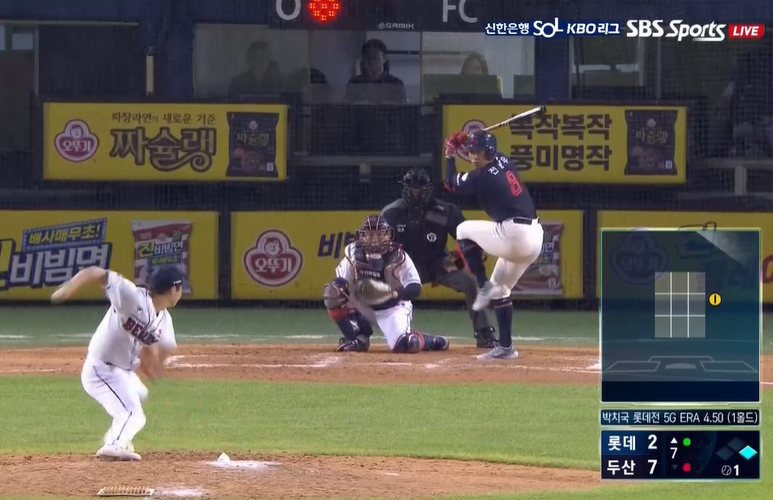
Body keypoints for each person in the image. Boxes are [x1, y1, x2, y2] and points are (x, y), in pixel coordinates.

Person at [50, 265, 183, 460]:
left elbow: (161, 349)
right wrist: (69, 286)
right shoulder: (131, 296)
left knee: (140, 393)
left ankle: (119, 437)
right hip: (100, 370)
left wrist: (152, 362)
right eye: (180, 288)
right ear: (173, 290)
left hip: (122, 371)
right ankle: (114, 444)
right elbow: (96, 272)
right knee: (133, 414)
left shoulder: (164, 320)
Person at [444, 130, 543, 361]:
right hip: (533, 237)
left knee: (462, 230)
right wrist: (465, 143)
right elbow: (482, 156)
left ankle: (481, 284)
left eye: (478, 152)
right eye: (471, 152)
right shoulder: (503, 159)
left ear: (489, 151)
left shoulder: (482, 177)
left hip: (515, 235)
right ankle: (506, 347)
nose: (474, 156)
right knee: (501, 289)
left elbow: (450, 183)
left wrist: (450, 154)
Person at [380, 167, 497, 348]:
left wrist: (462, 261)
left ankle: (484, 333)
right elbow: (382, 248)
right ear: (404, 189)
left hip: (439, 264)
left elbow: (467, 240)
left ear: (429, 189)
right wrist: (390, 270)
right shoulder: (391, 213)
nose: (416, 193)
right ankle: (366, 332)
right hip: (406, 268)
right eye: (412, 189)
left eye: (420, 189)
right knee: (377, 286)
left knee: (470, 283)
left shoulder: (446, 211)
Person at [323, 215, 449, 353]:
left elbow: (415, 287)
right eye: (370, 235)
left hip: (392, 308)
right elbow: (341, 282)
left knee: (406, 345)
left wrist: (394, 294)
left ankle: (430, 341)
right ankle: (357, 337)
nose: (374, 240)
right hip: (363, 303)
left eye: (379, 234)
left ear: (389, 235)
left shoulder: (398, 256)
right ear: (361, 236)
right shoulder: (353, 253)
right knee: (334, 293)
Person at [345, 39, 407, 104]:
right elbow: (347, 107)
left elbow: (403, 108)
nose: (369, 62)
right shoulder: (354, 83)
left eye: (374, 57)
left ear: (384, 59)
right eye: (366, 58)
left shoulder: (396, 84)